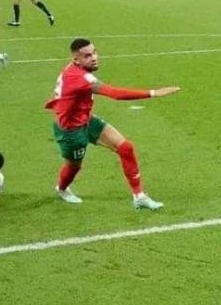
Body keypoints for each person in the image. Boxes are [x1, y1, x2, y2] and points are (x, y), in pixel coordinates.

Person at [44, 38, 180, 210]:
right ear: (76, 60)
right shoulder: (80, 78)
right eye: (87, 56)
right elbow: (115, 94)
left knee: (126, 148)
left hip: (86, 120)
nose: (94, 57)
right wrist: (153, 93)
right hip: (71, 131)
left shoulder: (76, 70)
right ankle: (62, 189)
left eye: (94, 52)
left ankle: (139, 196)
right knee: (74, 166)